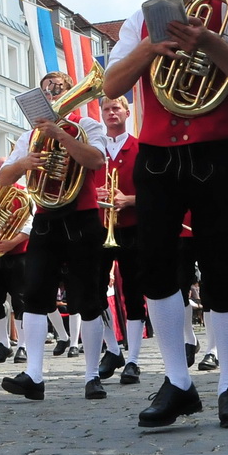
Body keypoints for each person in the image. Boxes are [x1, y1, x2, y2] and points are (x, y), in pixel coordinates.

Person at [102, 0, 228, 428]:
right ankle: (177, 381)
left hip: (216, 150)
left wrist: (207, 41)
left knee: (220, 265)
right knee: (154, 267)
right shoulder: (142, 18)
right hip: (156, 155)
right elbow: (111, 82)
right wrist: (152, 49)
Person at [0, 72, 108, 402]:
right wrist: (25, 163)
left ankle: (92, 375)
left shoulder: (87, 125)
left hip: (82, 216)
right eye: (48, 92)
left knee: (87, 297)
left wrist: (61, 134)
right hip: (45, 218)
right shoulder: (29, 135)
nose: (53, 96)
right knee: (35, 296)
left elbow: (95, 160)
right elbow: (4, 176)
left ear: (73, 92)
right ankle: (34, 374)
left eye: (59, 91)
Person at [95, 94, 145, 384]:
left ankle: (135, 358)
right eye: (106, 108)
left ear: (127, 113)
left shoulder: (139, 147)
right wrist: (95, 196)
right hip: (100, 227)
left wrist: (130, 200)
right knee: (95, 290)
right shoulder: (93, 148)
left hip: (131, 226)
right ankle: (112, 349)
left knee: (134, 292)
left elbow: (155, 191)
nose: (111, 112)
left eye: (116, 108)